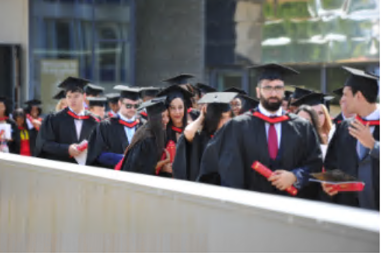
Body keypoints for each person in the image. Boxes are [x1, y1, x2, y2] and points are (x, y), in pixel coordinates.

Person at [198, 63, 322, 199]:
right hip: (249, 209)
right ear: (258, 91)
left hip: (289, 209)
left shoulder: (302, 127)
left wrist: (295, 176)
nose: (273, 93)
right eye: (267, 87)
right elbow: (213, 168)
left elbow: (315, 164)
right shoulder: (237, 127)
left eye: (278, 88)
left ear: (284, 91)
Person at [323, 66, 379, 211]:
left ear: (358, 96)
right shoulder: (345, 127)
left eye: (345, 94)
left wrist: (374, 145)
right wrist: (329, 182)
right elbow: (332, 163)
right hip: (350, 211)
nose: (342, 100)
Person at [172, 92, 236, 181]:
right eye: (223, 117)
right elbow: (187, 132)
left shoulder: (232, 138)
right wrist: (201, 117)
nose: (227, 121)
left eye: (229, 117)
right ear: (214, 117)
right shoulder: (202, 138)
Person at [35, 77, 100, 163]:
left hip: (85, 170)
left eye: (76, 96)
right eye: (69, 97)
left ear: (84, 96)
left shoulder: (94, 121)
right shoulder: (54, 119)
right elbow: (44, 144)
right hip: (61, 167)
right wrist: (67, 149)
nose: (72, 100)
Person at [86, 86, 145, 168]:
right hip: (114, 174)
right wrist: (123, 158)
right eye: (128, 106)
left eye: (136, 106)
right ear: (120, 103)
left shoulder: (143, 126)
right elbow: (97, 154)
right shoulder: (105, 126)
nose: (132, 109)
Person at [119, 97, 169, 175]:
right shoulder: (147, 140)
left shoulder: (150, 132)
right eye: (162, 116)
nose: (167, 120)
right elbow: (142, 170)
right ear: (155, 118)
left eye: (167, 116)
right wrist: (162, 163)